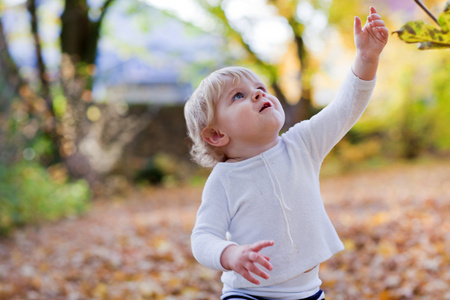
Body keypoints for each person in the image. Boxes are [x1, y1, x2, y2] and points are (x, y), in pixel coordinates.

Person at [184, 7, 388, 300]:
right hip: (248, 295)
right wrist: (229, 254)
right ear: (217, 134)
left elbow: (345, 107)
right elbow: (202, 238)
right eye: (238, 96)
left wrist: (367, 58)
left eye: (259, 87)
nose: (258, 93)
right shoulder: (224, 181)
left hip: (308, 294)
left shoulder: (302, 145)